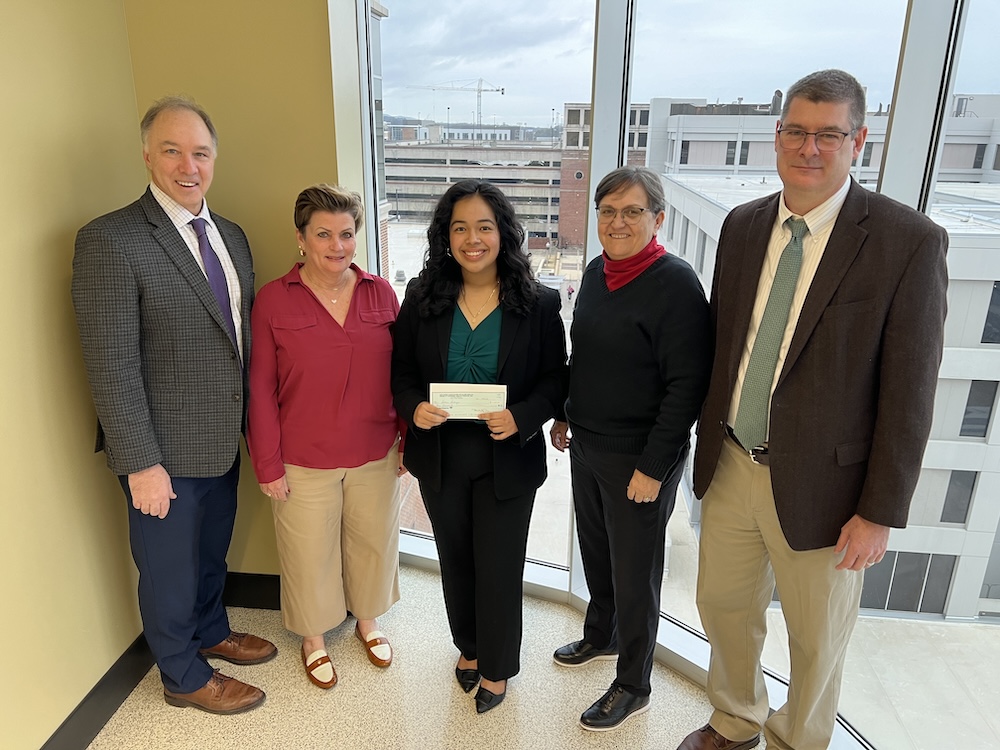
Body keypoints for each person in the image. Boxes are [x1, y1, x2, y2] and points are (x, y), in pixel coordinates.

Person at [677, 69, 948, 750]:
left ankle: (799, 739)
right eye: (797, 131)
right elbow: (726, 346)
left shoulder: (905, 241)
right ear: (777, 138)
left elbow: (911, 390)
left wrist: (880, 508)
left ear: (858, 141)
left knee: (816, 636)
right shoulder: (742, 227)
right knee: (723, 607)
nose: (810, 148)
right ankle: (735, 720)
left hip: (833, 489)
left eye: (829, 134)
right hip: (735, 460)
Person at [72, 96, 276, 715]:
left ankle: (210, 630)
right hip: (161, 451)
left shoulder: (232, 237)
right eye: (172, 150)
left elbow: (234, 339)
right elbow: (111, 363)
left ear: (214, 159)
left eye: (200, 153)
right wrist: (140, 463)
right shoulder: (110, 239)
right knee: (166, 568)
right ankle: (183, 675)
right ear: (146, 155)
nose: (188, 165)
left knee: (212, 549)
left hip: (222, 440)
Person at [391, 179, 567, 714]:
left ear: (503, 234)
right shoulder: (422, 297)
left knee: (499, 565)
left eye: (484, 227)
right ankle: (468, 648)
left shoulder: (537, 303)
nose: (472, 239)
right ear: (446, 236)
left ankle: (497, 667)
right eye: (459, 227)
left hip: (506, 458)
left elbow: (556, 380)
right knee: (457, 560)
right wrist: (413, 406)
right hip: (441, 457)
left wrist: (522, 417)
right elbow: (398, 372)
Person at [549, 166, 713, 731]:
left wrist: (654, 466)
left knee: (636, 571)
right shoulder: (597, 273)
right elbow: (585, 354)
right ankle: (601, 635)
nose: (617, 222)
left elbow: (686, 387)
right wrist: (566, 414)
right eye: (608, 212)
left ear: (658, 218)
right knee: (597, 552)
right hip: (589, 446)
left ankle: (634, 683)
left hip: (639, 458)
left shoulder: (676, 283)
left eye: (632, 212)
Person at [247, 184, 405, 689]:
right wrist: (267, 463)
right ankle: (314, 638)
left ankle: (367, 620)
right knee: (308, 550)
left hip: (375, 451)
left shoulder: (381, 293)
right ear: (301, 238)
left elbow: (403, 374)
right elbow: (260, 389)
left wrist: (407, 439)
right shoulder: (273, 300)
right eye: (323, 234)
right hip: (302, 456)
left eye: (346, 233)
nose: (337, 245)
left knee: (372, 542)